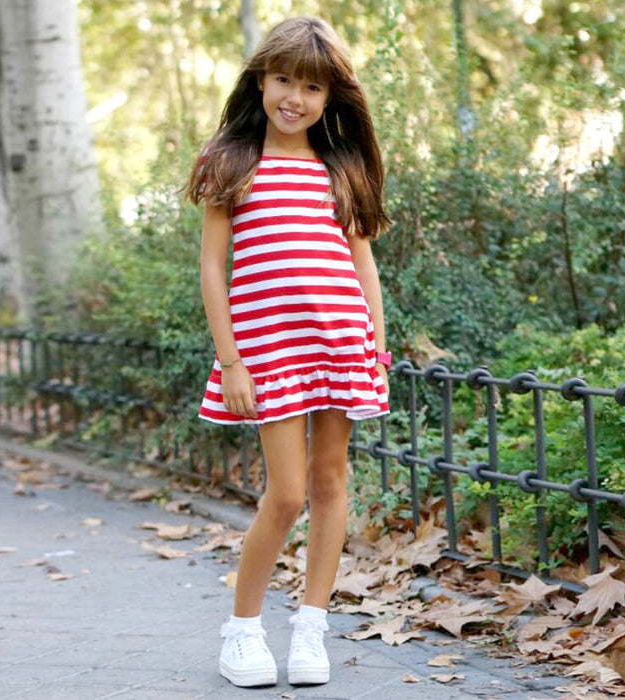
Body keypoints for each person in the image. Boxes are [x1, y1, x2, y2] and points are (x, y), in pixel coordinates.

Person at [187, 16, 392, 689]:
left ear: (330, 97)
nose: (294, 97)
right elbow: (214, 271)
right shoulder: (233, 163)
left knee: (332, 483)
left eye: (311, 85)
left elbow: (362, 265)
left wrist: (376, 344)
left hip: (338, 345)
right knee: (287, 494)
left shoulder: (340, 168)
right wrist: (232, 360)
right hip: (269, 352)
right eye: (283, 79)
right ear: (261, 80)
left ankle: (311, 624)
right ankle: (242, 631)